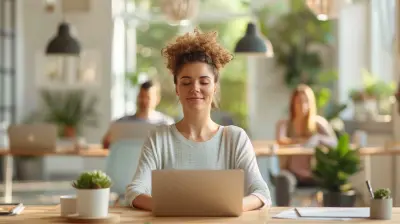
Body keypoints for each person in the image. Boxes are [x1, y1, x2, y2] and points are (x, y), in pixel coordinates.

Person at [125, 29, 271, 212]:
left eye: (204, 82)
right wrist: (177, 208)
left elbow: (262, 193)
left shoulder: (235, 138)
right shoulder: (158, 138)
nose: (195, 88)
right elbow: (134, 192)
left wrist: (227, 207)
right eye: (186, 82)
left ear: (215, 87)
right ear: (177, 88)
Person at [275, 84, 337, 186]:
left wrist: (317, 139)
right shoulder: (284, 124)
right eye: (299, 101)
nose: (303, 105)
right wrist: (302, 141)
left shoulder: (318, 123)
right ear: (293, 103)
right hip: (292, 173)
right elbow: (280, 140)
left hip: (315, 172)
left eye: (306, 101)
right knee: (283, 179)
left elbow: (334, 143)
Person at [102, 80, 174, 148]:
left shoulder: (166, 124)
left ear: (157, 99)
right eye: (141, 96)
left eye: (148, 97)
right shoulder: (122, 123)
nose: (144, 101)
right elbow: (105, 143)